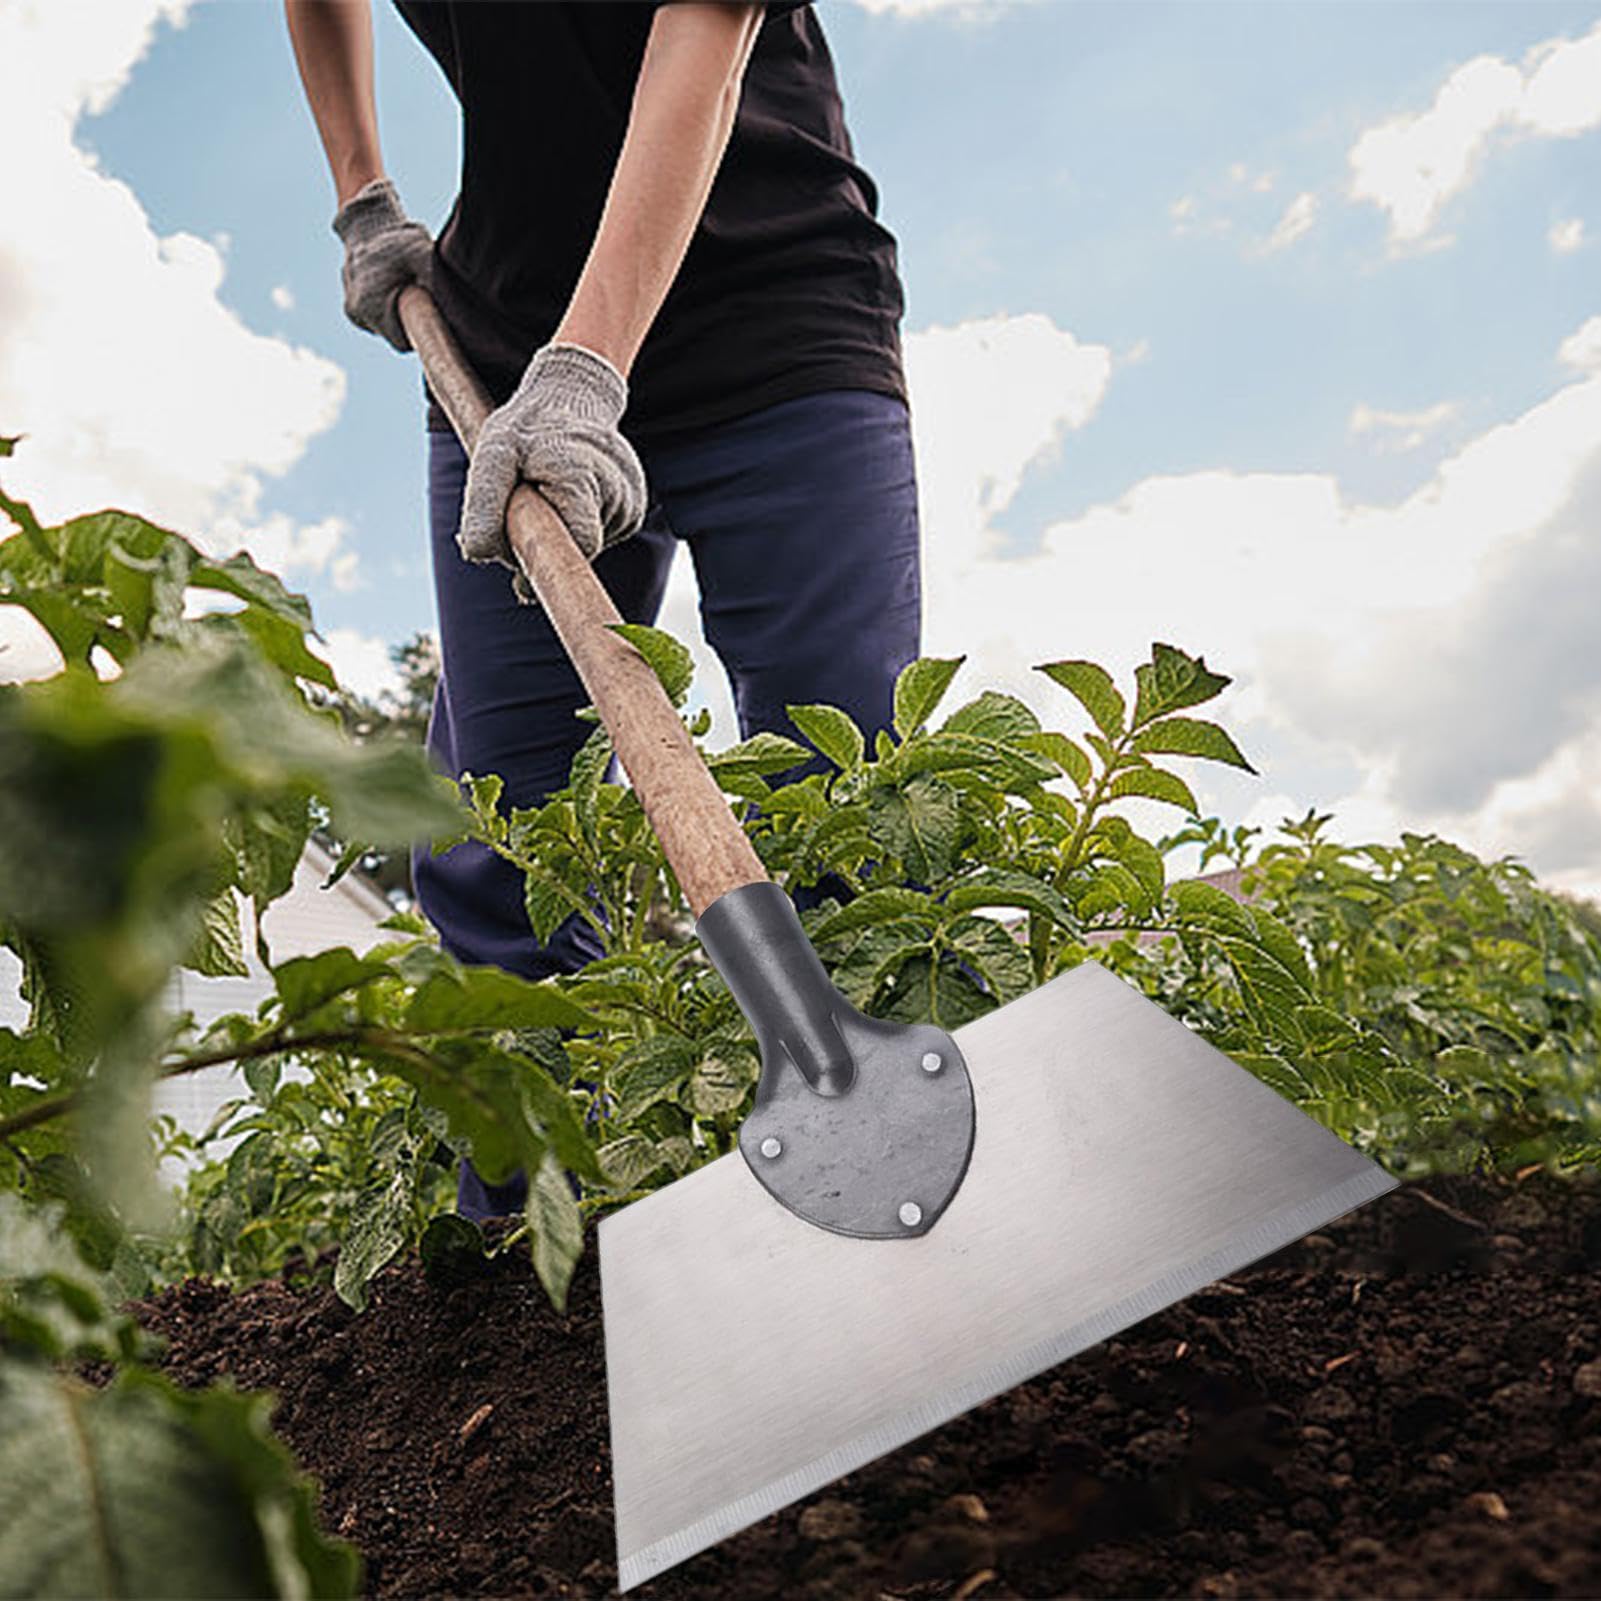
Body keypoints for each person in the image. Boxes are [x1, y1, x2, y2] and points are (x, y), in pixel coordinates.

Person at [285, 0, 922, 1219]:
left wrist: (587, 373)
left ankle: (904, 1200)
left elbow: (703, 33)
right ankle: (538, 1264)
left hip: (774, 317)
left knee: (847, 793)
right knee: (497, 842)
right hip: (504, 340)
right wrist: (361, 195)